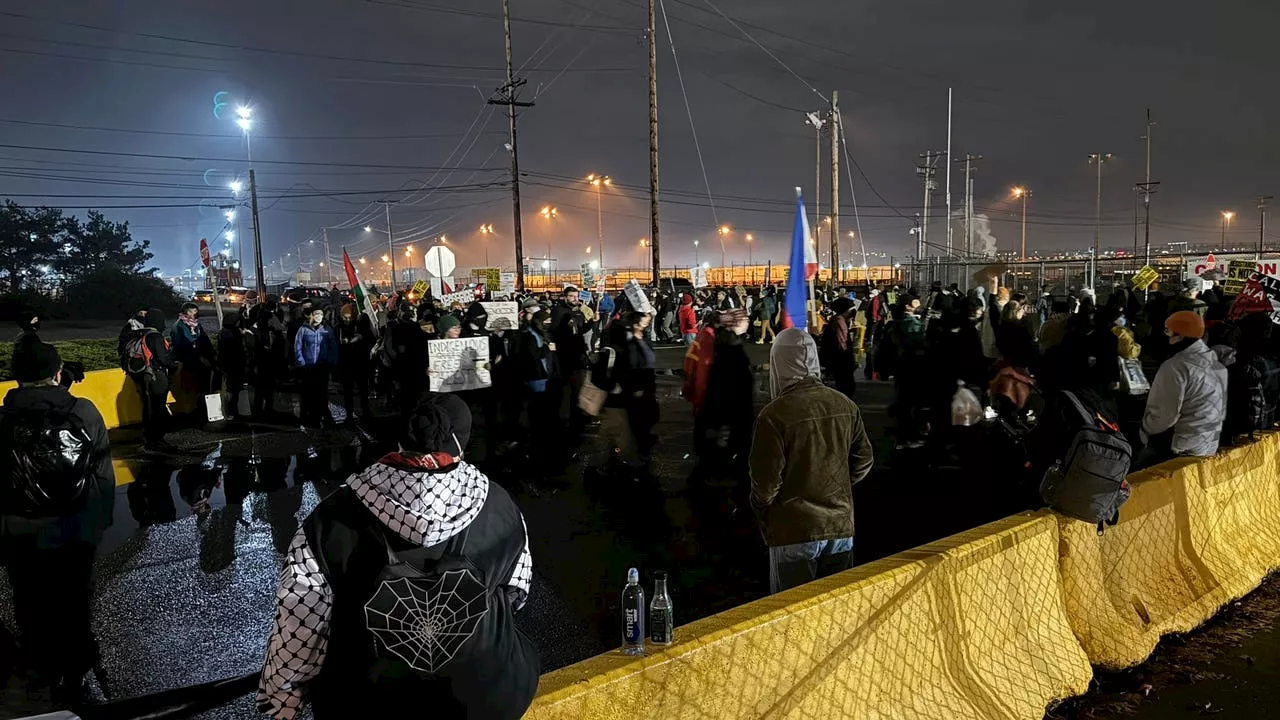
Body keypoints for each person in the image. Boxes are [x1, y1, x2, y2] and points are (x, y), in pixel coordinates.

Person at [257, 394, 537, 720]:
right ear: (461, 447)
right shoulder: (501, 505)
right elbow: (517, 593)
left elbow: (298, 629)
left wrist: (282, 704)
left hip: (370, 703)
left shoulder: (327, 522)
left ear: (402, 441)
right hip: (489, 698)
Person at [1, 342, 115, 701]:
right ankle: (75, 673)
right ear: (57, 371)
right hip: (74, 525)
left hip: (18, 526)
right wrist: (97, 524)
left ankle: (40, 666)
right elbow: (102, 474)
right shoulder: (82, 411)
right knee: (74, 597)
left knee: (29, 596)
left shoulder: (3, 420)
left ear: (16, 377)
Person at [749, 328, 874, 594]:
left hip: (794, 528)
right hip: (840, 525)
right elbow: (864, 459)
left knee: (792, 612)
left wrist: (763, 510)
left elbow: (765, 483)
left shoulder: (774, 415)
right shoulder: (844, 404)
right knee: (834, 610)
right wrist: (836, 485)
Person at [1138, 311, 1228, 468]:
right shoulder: (1218, 365)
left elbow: (1164, 417)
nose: (1167, 336)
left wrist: (1143, 430)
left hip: (1180, 448)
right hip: (1208, 444)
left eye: (1169, 331)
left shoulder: (1176, 367)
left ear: (1181, 335)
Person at [124, 308, 178, 450]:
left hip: (145, 375)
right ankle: (158, 441)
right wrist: (173, 366)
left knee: (149, 408)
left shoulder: (142, 334)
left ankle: (150, 439)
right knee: (158, 408)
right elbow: (163, 358)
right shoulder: (155, 336)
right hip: (156, 376)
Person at [294, 306, 339, 428]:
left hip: (321, 366)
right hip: (307, 367)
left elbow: (333, 347)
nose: (319, 316)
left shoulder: (326, 329)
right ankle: (307, 418)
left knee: (321, 393)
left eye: (321, 314)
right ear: (312, 315)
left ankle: (321, 417)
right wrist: (301, 363)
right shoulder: (303, 330)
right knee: (308, 393)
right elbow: (297, 348)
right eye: (316, 313)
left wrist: (330, 362)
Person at [171, 302, 216, 419]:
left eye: (196, 311)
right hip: (188, 363)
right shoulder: (178, 326)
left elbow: (204, 341)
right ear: (186, 312)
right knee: (190, 389)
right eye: (193, 311)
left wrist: (210, 357)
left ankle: (203, 411)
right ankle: (194, 414)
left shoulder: (196, 325)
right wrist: (198, 358)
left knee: (202, 388)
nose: (195, 314)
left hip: (199, 362)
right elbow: (180, 346)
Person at [335, 303, 374, 423]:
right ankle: (349, 414)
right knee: (348, 390)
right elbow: (335, 344)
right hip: (346, 363)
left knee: (363, 389)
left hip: (361, 363)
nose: (347, 320)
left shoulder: (361, 327)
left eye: (349, 317)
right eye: (345, 317)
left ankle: (365, 410)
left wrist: (361, 338)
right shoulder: (338, 328)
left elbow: (372, 340)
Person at [253, 297, 289, 419]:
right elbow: (280, 329)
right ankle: (267, 408)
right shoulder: (271, 318)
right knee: (269, 384)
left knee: (260, 385)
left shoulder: (258, 317)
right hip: (269, 356)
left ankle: (257, 408)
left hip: (260, 356)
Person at [820, 297, 858, 400]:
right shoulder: (839, 322)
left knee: (844, 386)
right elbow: (842, 343)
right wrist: (849, 359)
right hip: (841, 360)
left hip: (837, 360)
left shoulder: (837, 320)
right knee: (846, 387)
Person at [217, 311, 250, 420]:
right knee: (234, 389)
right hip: (235, 365)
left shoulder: (223, 332)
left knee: (230, 389)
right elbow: (239, 351)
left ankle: (229, 410)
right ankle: (232, 411)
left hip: (226, 365)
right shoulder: (234, 334)